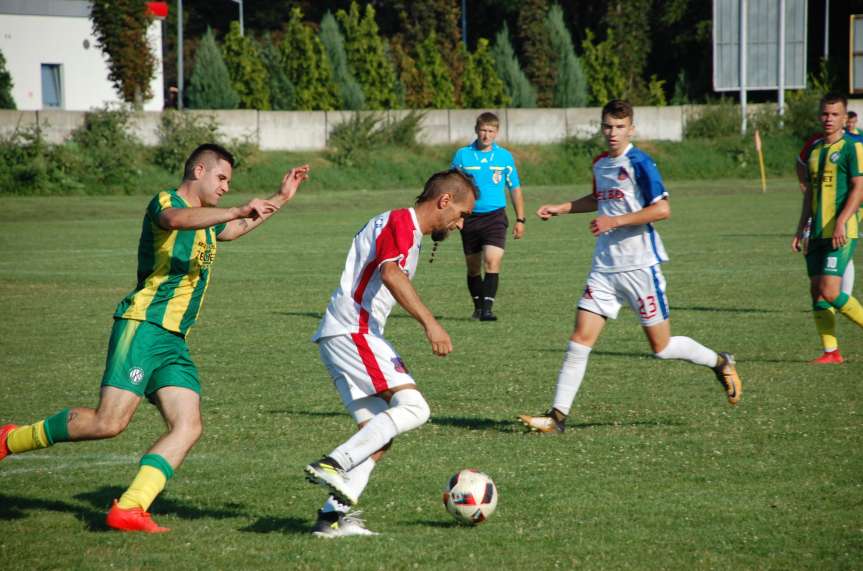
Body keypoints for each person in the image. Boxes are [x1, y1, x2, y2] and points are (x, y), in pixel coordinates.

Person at [0, 144, 311, 532]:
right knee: (108, 423)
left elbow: (231, 229)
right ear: (199, 170)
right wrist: (234, 209)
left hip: (173, 341)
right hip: (143, 326)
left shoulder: (210, 219)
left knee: (188, 425)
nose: (227, 188)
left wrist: (280, 198)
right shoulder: (167, 201)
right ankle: (10, 440)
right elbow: (176, 219)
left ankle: (130, 507)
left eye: (229, 182)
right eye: (221, 178)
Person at [517, 100, 742, 434]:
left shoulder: (640, 162)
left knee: (661, 348)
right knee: (580, 339)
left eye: (620, 127)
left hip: (640, 266)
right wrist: (562, 208)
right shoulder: (599, 164)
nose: (612, 133)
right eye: (607, 126)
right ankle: (557, 417)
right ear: (601, 127)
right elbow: (599, 199)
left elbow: (662, 209)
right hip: (604, 268)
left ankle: (720, 362)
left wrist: (615, 221)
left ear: (631, 129)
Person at [304, 169, 477, 537]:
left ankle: (329, 519)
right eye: (461, 214)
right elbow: (391, 274)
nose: (460, 224)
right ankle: (335, 462)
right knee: (415, 408)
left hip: (344, 333)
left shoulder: (403, 227)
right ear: (444, 201)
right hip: (355, 330)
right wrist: (431, 323)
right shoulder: (402, 221)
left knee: (378, 433)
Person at [792, 94, 863, 364]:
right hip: (817, 231)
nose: (828, 119)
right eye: (825, 114)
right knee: (816, 291)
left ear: (845, 118)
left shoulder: (852, 147)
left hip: (841, 231)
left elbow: (859, 187)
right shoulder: (814, 149)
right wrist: (800, 230)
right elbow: (809, 194)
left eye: (835, 114)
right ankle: (831, 352)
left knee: (831, 291)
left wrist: (842, 221)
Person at [450, 112, 526, 321]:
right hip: (470, 218)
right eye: (483, 130)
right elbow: (452, 188)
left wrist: (521, 219)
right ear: (476, 130)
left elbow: (515, 188)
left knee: (492, 261)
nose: (486, 135)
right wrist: (455, 216)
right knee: (473, 267)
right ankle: (478, 307)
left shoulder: (504, 157)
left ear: (496, 132)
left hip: (495, 217)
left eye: (491, 131)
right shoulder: (462, 155)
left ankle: (487, 310)